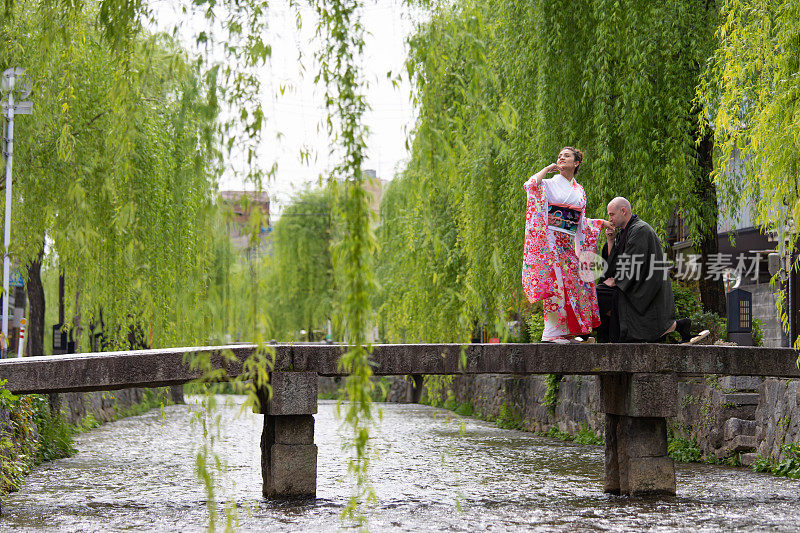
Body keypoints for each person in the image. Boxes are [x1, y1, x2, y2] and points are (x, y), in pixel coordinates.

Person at [522, 147, 613, 343]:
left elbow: (580, 221)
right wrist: (547, 168)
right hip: (551, 241)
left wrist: (600, 223)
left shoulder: (579, 190)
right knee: (556, 284)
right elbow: (530, 185)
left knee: (575, 284)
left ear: (576, 162)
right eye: (560, 156)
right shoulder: (549, 183)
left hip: (568, 243)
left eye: (567, 156)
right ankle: (551, 333)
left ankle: (568, 331)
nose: (561, 158)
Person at [597, 197, 699, 343]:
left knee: (598, 295)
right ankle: (674, 327)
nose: (609, 219)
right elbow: (611, 265)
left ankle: (671, 327)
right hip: (631, 284)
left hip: (644, 286)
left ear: (623, 211)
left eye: (611, 214)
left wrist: (617, 280)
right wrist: (610, 241)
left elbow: (634, 262)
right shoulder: (623, 233)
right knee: (598, 295)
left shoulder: (640, 230)